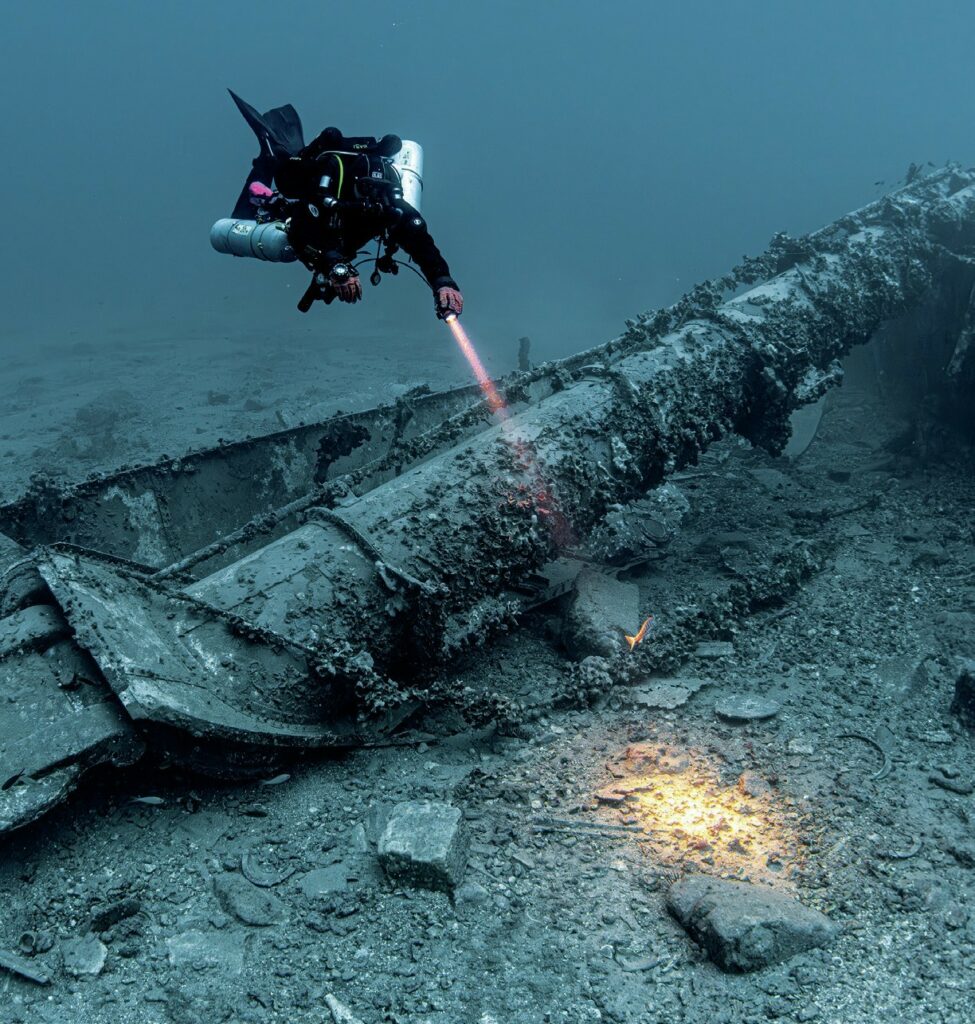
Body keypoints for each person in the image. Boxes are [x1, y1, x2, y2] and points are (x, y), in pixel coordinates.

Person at [228, 92, 463, 319]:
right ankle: (269, 162)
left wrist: (443, 282)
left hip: (341, 238)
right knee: (284, 179)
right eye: (366, 191)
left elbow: (422, 243)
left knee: (382, 233)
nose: (371, 201)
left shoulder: (390, 203)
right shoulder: (329, 192)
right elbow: (302, 230)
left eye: (377, 193)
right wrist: (335, 265)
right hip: (319, 212)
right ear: (355, 185)